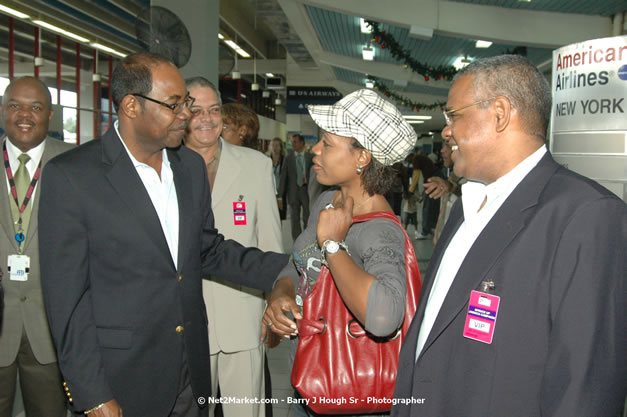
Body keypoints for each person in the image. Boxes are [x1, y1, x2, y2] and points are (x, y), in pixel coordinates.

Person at [38, 53, 289, 417]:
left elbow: (208, 250)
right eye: (174, 105)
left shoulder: (188, 168)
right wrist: (90, 392)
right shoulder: (73, 177)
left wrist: (285, 268)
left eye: (185, 102)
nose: (186, 114)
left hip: (190, 374)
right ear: (131, 106)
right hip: (122, 381)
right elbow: (67, 302)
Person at [392, 55, 627, 417]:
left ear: (500, 112)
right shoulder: (466, 206)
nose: (445, 131)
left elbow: (585, 385)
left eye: (454, 115)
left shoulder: (585, 215)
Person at [262, 88, 419, 417]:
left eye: (327, 144)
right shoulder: (326, 201)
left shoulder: (380, 230)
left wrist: (333, 246)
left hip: (349, 395)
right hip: (308, 379)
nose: (316, 150)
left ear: (362, 157)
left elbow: (385, 317)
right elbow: (298, 264)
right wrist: (282, 292)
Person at [184, 76, 283, 417]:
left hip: (243, 316)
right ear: (181, 113)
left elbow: (270, 243)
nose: (207, 118)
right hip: (184, 322)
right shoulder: (163, 166)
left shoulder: (256, 166)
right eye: (196, 110)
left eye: (214, 109)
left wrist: (273, 306)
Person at [0, 76, 73, 417]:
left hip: (51, 326)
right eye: (15, 105)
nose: (24, 115)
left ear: (50, 115)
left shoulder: (76, 166)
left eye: (35, 107)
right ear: (3, 111)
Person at [278, 134, 313, 241]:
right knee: (295, 219)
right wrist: (280, 196)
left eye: (295, 142)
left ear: (302, 143)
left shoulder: (311, 158)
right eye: (292, 142)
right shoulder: (288, 159)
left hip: (306, 191)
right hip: (293, 192)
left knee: (308, 217)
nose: (293, 144)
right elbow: (283, 177)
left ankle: (308, 240)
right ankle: (297, 242)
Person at [269, 137, 287, 220]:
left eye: (277, 145)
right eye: (273, 145)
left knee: (279, 217)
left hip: (281, 193)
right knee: (270, 216)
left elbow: (285, 179)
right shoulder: (267, 160)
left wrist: (280, 197)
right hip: (269, 192)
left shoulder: (285, 161)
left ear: (281, 147)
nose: (274, 148)